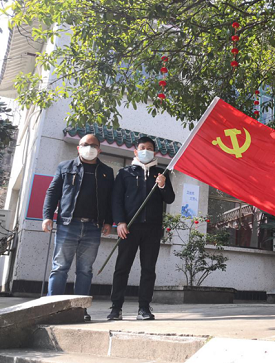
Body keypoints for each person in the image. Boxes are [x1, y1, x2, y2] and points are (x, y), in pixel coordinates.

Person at [42, 134, 114, 321]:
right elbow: (52, 192)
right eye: (85, 144)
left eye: (93, 145)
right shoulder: (65, 167)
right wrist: (47, 216)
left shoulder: (107, 172)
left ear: (99, 149)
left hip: (93, 227)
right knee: (60, 268)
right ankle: (52, 309)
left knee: (85, 270)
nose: (89, 148)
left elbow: (110, 199)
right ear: (78, 147)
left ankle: (80, 310)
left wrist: (108, 221)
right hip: (68, 224)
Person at [108, 136, 175, 321]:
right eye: (142, 147)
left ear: (154, 152)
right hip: (129, 228)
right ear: (136, 151)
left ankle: (144, 308)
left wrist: (162, 185)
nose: (146, 150)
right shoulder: (125, 173)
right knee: (122, 268)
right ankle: (116, 308)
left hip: (152, 229)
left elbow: (169, 199)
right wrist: (120, 222)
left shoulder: (161, 173)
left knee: (148, 269)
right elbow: (116, 199)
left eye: (150, 148)